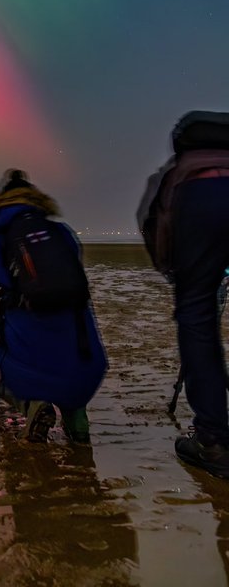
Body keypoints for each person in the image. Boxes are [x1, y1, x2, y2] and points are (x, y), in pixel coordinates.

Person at [0, 169, 106, 443]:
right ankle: (78, 424)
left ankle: (32, 407)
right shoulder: (61, 233)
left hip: (30, 350)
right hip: (83, 359)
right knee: (68, 372)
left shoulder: (1, 241)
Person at [138, 111, 229, 478]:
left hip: (198, 207)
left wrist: (175, 273)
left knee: (196, 321)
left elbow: (151, 222)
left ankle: (213, 440)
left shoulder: (177, 171)